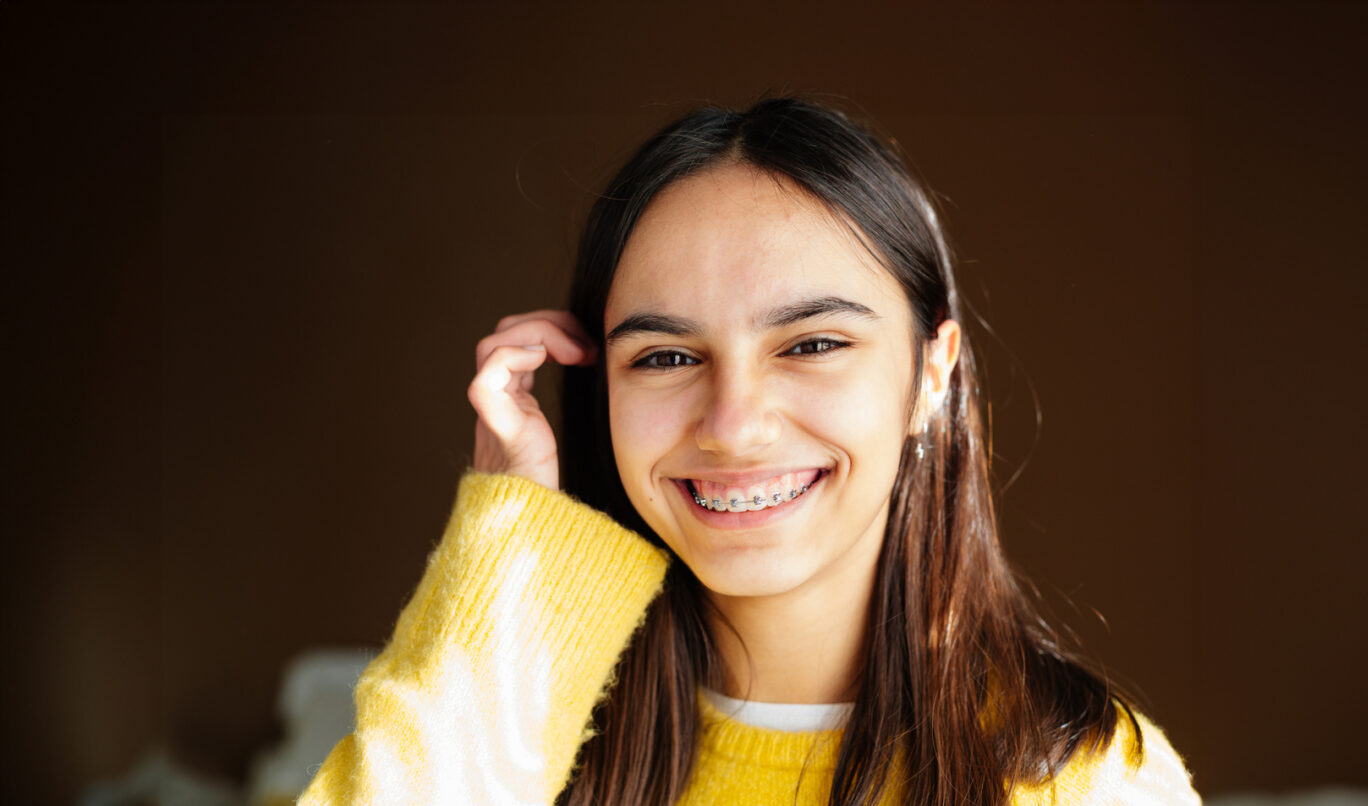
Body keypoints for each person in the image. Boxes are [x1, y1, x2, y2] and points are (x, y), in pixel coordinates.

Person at [297, 97, 1201, 805]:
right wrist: (506, 554)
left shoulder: (1083, 784)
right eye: (665, 357)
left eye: (811, 344)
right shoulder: (516, 746)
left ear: (934, 374)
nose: (732, 424)